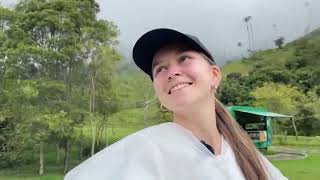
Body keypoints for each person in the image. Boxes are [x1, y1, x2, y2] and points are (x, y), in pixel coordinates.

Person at [65, 28, 288, 180]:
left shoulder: (246, 155)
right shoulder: (144, 150)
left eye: (184, 59)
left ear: (214, 75)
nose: (172, 72)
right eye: (160, 69)